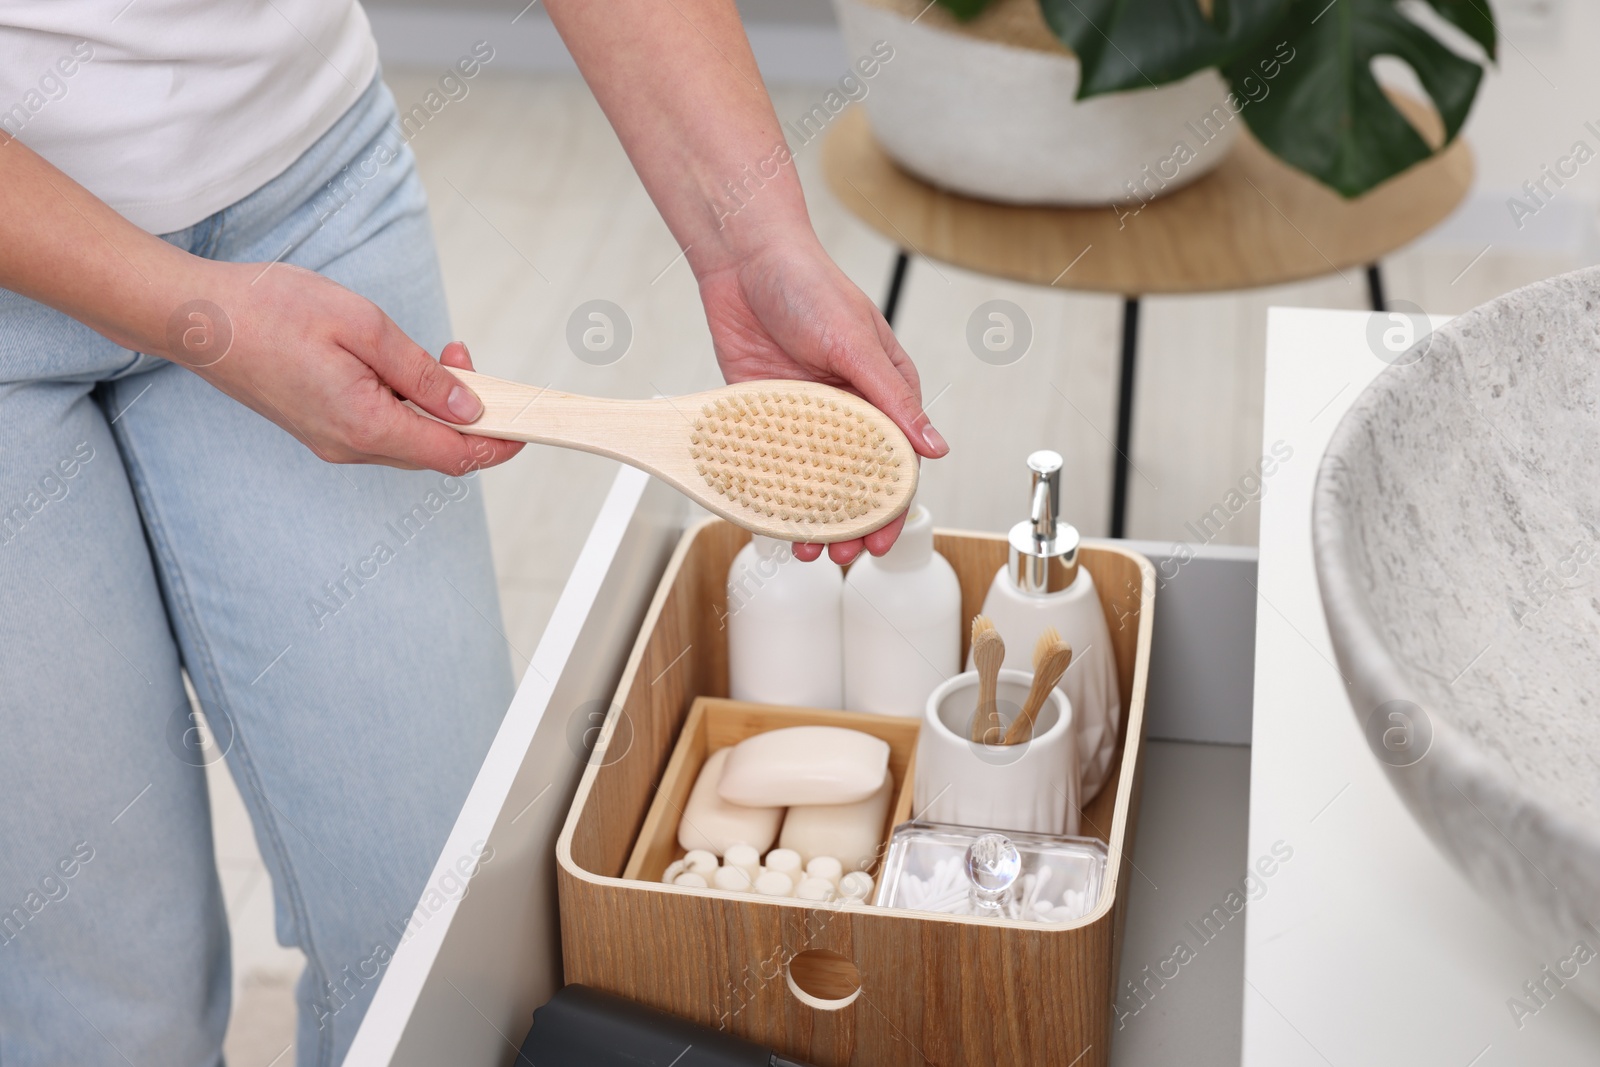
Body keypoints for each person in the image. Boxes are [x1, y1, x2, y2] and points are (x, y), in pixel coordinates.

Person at [0, 1, 947, 1063]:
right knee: (104, 1012)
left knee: (439, 933)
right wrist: (194, 311)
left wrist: (753, 242)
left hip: (303, 189)